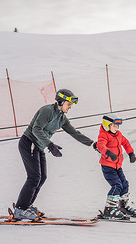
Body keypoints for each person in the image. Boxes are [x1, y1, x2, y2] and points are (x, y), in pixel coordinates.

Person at [13, 89, 97, 221]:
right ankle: (20, 209)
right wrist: (50, 145)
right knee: (34, 177)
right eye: (68, 104)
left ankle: (26, 206)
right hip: (29, 143)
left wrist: (93, 144)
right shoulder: (47, 111)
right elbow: (36, 129)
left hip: (39, 146)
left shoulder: (62, 118)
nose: (70, 107)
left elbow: (74, 133)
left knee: (42, 177)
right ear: (61, 102)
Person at [96, 113, 136, 220]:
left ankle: (122, 206)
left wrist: (131, 153)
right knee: (116, 185)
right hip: (108, 166)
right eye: (114, 126)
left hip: (118, 166)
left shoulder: (118, 134)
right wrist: (108, 153)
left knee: (124, 184)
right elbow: (100, 145)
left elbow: (126, 143)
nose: (116, 128)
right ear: (107, 125)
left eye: (117, 126)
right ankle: (109, 209)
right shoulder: (104, 135)